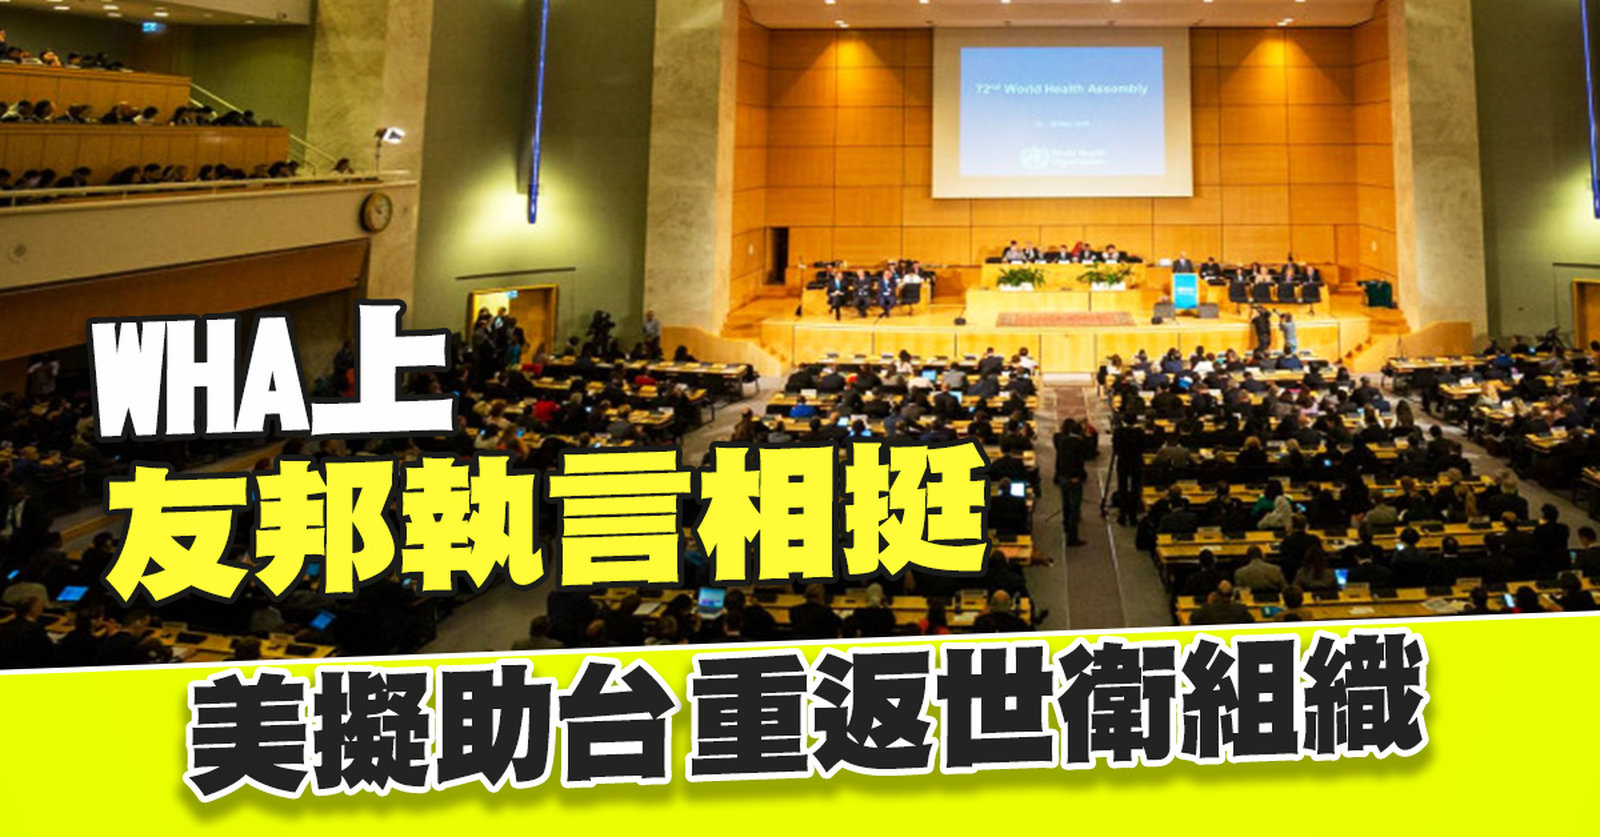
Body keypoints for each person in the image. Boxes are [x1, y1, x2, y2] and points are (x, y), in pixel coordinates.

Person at [1054, 418, 1090, 547]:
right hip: (1074, 478)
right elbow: (1083, 458)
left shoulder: (1062, 441)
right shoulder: (1079, 443)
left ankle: (1066, 525)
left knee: (1066, 503)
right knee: (1075, 508)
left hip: (1062, 476)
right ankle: (1072, 537)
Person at [1189, 581, 1255, 625]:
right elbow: (1251, 622)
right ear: (1232, 595)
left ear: (1217, 594)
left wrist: (1209, 603)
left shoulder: (1206, 610)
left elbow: (1193, 618)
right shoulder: (1240, 610)